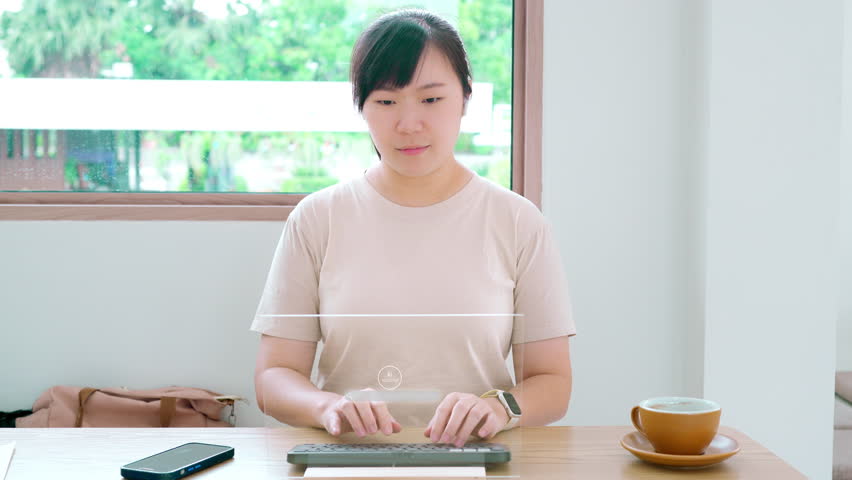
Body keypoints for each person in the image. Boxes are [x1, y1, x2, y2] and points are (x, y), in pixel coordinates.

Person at [251, 8, 575, 449]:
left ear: (465, 99)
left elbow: (552, 383)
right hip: (347, 458)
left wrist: (500, 408)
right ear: (362, 107)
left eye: (431, 99)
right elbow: (273, 377)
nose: (408, 124)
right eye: (386, 102)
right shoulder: (317, 218)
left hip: (476, 458)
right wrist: (325, 406)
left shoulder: (517, 221)